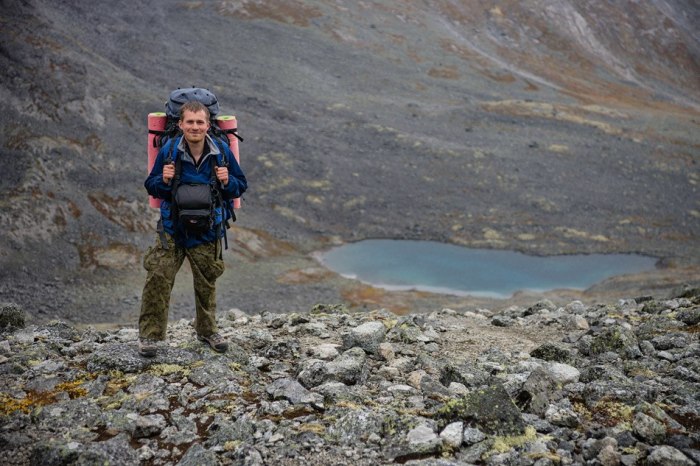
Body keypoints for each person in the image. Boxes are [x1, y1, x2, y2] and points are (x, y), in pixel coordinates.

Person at [138, 100, 247, 357]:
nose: (195, 127)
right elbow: (151, 185)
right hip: (172, 229)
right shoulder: (169, 150)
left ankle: (207, 331)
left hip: (207, 229)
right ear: (181, 124)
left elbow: (239, 186)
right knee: (158, 276)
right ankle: (150, 337)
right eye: (190, 122)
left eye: (200, 122)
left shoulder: (221, 151)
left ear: (208, 125)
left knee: (206, 281)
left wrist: (227, 180)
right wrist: (163, 180)